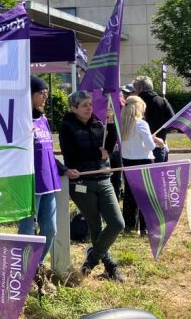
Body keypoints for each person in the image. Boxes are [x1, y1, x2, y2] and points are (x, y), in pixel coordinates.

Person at [18, 77, 79, 291]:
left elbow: (48, 153)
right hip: (28, 184)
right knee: (27, 230)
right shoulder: (21, 120)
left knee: (50, 229)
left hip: (49, 182)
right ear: (30, 94)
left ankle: (37, 265)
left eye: (45, 92)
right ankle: (25, 271)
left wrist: (64, 170)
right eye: (41, 92)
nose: (45, 96)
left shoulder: (43, 119)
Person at [60, 90, 125, 282]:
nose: (89, 108)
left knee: (117, 223)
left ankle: (90, 261)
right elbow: (72, 155)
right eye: (84, 105)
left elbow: (110, 146)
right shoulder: (67, 127)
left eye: (90, 104)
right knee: (95, 226)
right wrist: (98, 154)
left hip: (104, 179)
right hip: (82, 182)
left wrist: (111, 124)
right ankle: (111, 267)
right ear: (73, 108)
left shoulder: (99, 124)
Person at [120, 96, 165, 236]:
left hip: (127, 161)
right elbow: (150, 146)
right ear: (139, 108)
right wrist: (157, 141)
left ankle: (129, 225)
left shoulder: (122, 124)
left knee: (130, 194)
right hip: (144, 161)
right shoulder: (141, 124)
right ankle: (145, 228)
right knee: (145, 195)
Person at [133, 76, 174, 163]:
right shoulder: (162, 101)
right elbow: (172, 122)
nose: (134, 92)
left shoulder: (135, 104)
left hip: (140, 149)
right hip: (159, 145)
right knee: (160, 175)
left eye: (135, 89)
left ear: (140, 88)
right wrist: (162, 133)